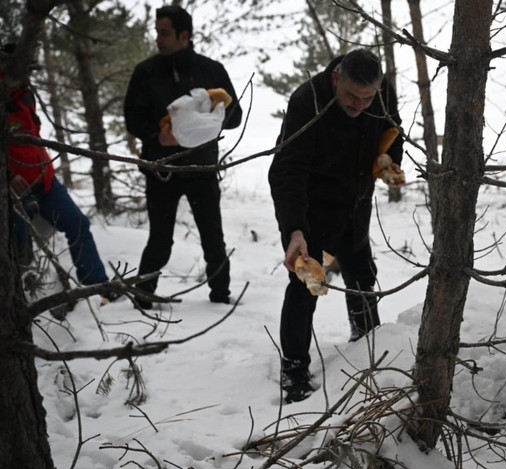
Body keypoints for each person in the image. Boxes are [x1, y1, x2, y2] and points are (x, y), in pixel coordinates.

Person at [268, 49, 403, 403]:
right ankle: (295, 368)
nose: (360, 104)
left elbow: (391, 130)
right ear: (336, 78)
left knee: (362, 275)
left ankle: (366, 340)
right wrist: (295, 229)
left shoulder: (381, 90)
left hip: (355, 204)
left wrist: (389, 161)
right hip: (312, 211)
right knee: (307, 286)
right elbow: (286, 169)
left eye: (367, 97)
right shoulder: (306, 101)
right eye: (351, 96)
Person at [124, 5, 242, 309]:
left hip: (201, 168)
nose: (158, 39)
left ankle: (220, 299)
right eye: (157, 32)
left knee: (213, 240)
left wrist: (214, 121)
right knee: (159, 241)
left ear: (184, 35)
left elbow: (235, 113)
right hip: (161, 170)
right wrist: (155, 136)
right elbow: (132, 118)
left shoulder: (211, 70)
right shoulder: (146, 72)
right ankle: (143, 298)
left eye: (164, 33)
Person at [2, 42, 119, 304]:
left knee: (78, 224)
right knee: (21, 251)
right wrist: (8, 176)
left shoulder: (24, 94)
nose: (29, 74)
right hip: (15, 191)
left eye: (31, 68)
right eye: (25, 67)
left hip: (45, 183)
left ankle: (96, 286)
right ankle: (28, 301)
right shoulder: (4, 94)